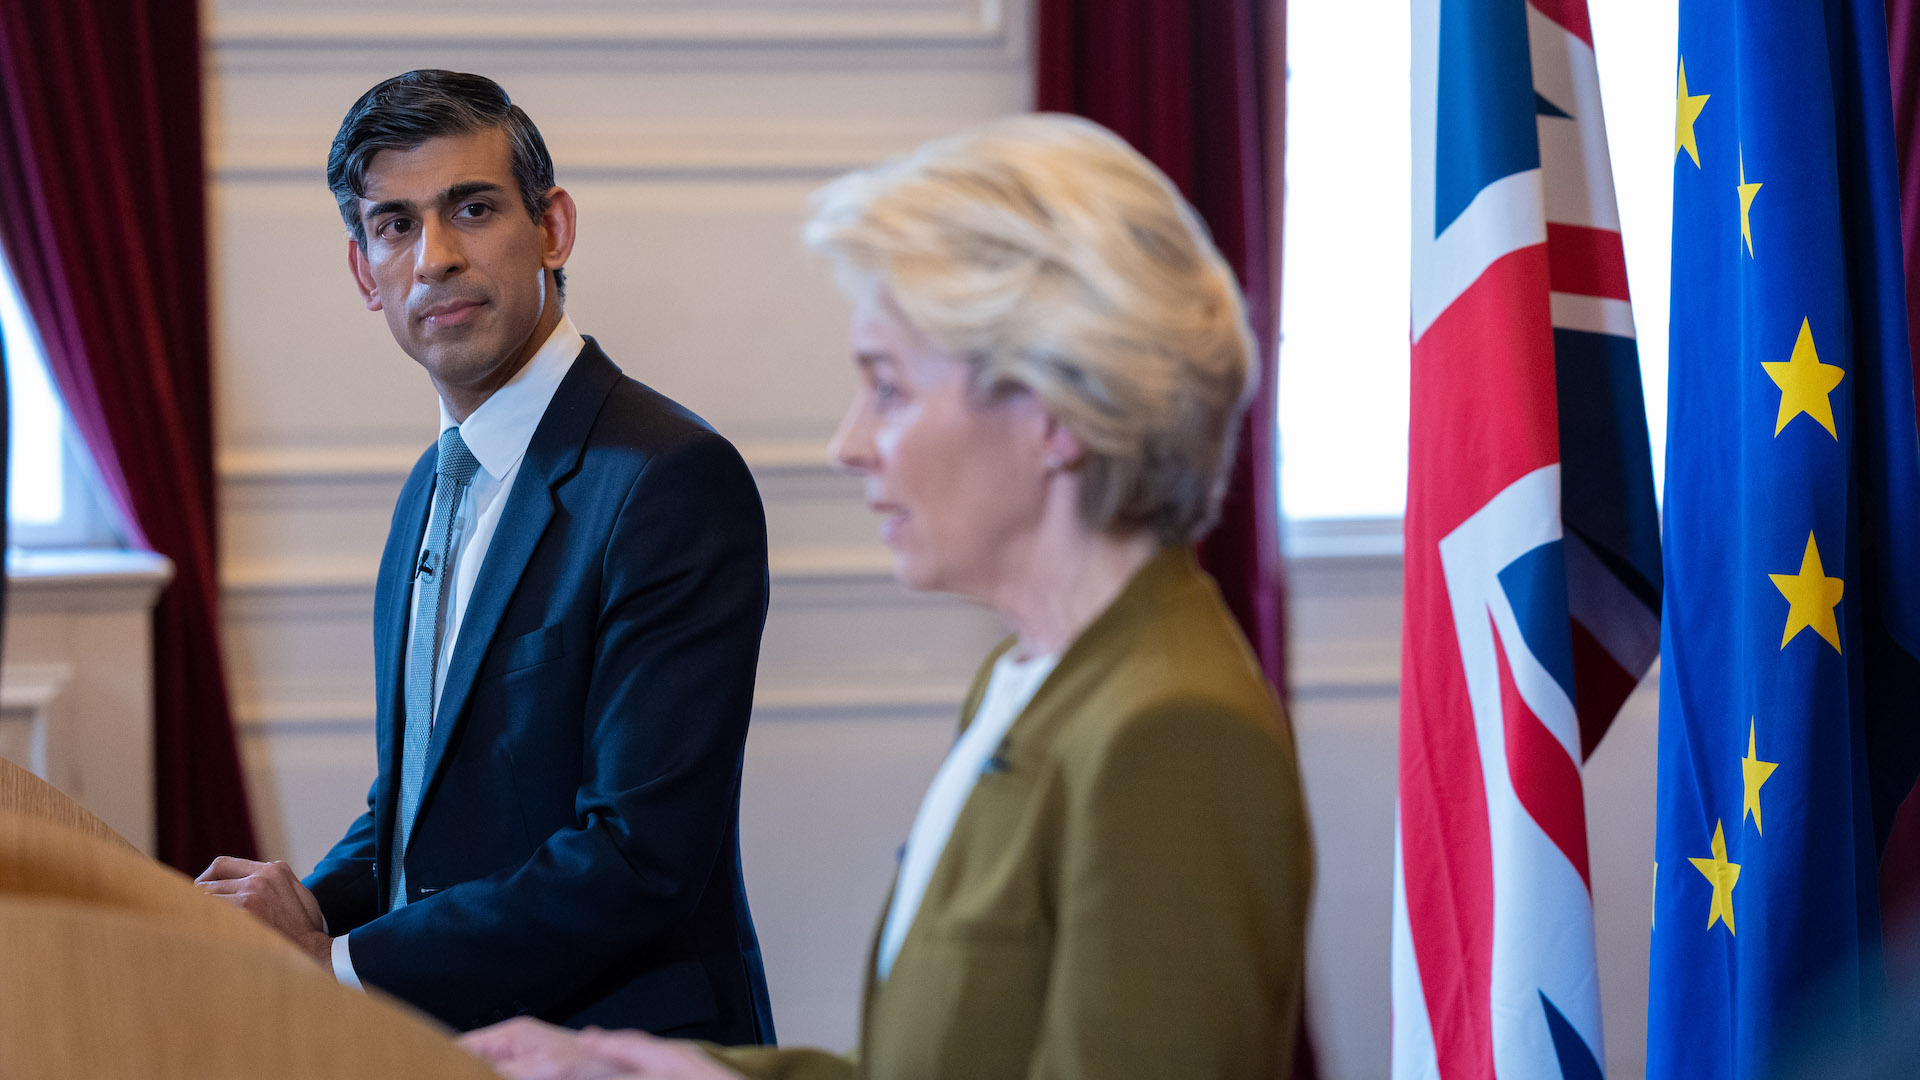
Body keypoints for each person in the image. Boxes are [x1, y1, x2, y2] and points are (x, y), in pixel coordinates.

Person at [462, 113, 1313, 1080]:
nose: (850, 442)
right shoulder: (1030, 675)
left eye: (890, 388)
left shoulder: (1171, 730)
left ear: (1054, 414)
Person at [193, 70, 777, 1043]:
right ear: (362, 272)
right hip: (453, 1043)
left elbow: (639, 857)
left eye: (472, 208)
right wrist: (298, 910)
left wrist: (334, 963)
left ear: (552, 228)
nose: (435, 258)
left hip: (624, 1047)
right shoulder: (432, 483)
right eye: (395, 224)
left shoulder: (669, 476)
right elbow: (420, 803)